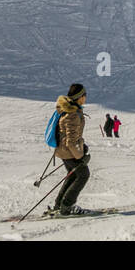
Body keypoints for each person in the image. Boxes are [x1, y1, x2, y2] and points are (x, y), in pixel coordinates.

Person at [50, 83, 91, 216]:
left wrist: (82, 146)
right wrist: (80, 157)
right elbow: (70, 142)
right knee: (83, 174)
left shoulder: (70, 110)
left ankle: (59, 204)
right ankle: (67, 206)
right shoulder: (72, 114)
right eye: (84, 95)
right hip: (68, 152)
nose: (86, 97)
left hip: (63, 151)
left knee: (73, 175)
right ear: (80, 97)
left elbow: (72, 137)